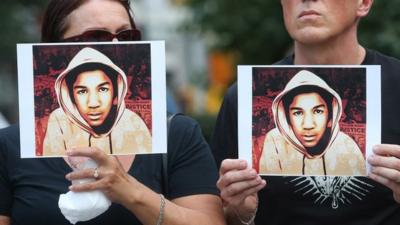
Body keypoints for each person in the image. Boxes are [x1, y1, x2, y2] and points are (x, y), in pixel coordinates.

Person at [0, 0, 225, 225]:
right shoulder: (8, 147)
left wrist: (131, 193)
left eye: (126, 36)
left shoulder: (176, 135)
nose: (117, 47)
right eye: (96, 37)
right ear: (52, 46)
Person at [214, 0, 400, 224]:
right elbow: (218, 215)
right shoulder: (243, 98)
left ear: (364, 3)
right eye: (297, 113)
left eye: (319, 111)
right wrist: (241, 212)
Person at [43, 47, 152, 156]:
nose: (93, 103)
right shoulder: (59, 120)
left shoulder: (132, 122)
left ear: (116, 94)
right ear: (71, 97)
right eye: (82, 91)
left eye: (102, 89)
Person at [259, 69, 364, 176]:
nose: (308, 125)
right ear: (286, 118)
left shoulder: (347, 145)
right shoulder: (275, 141)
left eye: (318, 111)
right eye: (298, 113)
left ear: (330, 118)